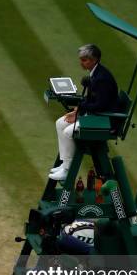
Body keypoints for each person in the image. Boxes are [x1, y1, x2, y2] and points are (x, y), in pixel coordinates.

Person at [49, 44, 120, 181]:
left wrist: (80, 110)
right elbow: (93, 100)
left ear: (94, 60)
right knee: (60, 123)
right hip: (97, 115)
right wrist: (78, 110)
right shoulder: (96, 73)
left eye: (84, 60)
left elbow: (100, 105)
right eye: (81, 59)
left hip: (104, 120)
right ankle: (65, 163)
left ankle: (67, 170)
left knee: (69, 132)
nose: (81, 62)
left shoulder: (102, 78)